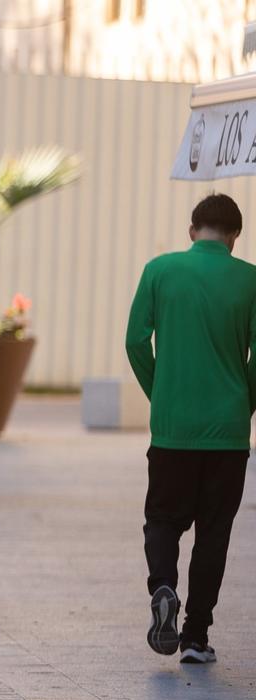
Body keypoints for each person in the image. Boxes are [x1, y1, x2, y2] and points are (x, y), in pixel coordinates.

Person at [125, 193, 256, 664]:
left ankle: (163, 584)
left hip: (172, 429)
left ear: (191, 230)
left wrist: (160, 391)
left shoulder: (159, 270)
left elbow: (135, 340)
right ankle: (196, 637)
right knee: (214, 531)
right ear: (235, 237)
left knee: (162, 519)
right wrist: (245, 402)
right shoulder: (251, 280)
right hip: (228, 432)